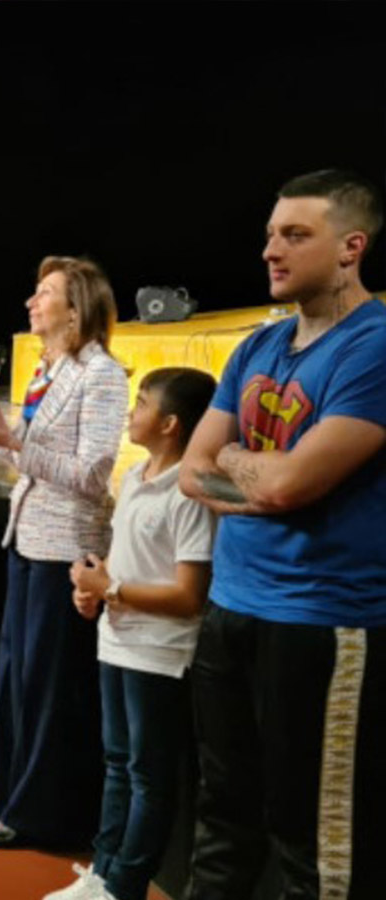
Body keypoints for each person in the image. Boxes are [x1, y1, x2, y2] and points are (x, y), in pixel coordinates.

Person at [179, 169, 386, 898]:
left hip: (321, 622)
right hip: (232, 607)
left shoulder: (374, 346)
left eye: (296, 235)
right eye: (271, 234)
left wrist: (240, 463)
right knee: (222, 818)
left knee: (312, 841)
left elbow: (293, 484)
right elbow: (192, 471)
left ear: (351, 248)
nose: (272, 250)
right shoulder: (257, 348)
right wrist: (259, 475)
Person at [0, 256, 129, 849]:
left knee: (45, 688)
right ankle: (0, 800)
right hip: (26, 538)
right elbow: (29, 462)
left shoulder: (101, 375)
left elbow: (92, 474)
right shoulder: (46, 370)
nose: (31, 302)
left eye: (45, 293)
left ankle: (34, 813)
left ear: (75, 310)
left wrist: (13, 441)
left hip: (66, 548)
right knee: (13, 680)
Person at [44, 368, 217, 900]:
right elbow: (126, 563)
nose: (130, 411)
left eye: (141, 403)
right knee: (118, 765)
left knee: (148, 776)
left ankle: (124, 886)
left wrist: (112, 588)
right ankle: (101, 875)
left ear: (169, 424)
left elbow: (189, 595)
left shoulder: (189, 492)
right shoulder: (136, 476)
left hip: (159, 652)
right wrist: (93, 590)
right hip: (117, 641)